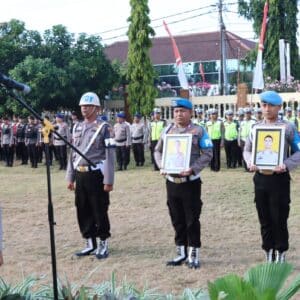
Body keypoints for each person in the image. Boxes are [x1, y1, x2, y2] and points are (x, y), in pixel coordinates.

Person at [154, 98, 213, 269]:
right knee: (176, 218)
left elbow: (208, 153)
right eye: (176, 111)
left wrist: (193, 169)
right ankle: (181, 251)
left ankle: (193, 252)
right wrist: (161, 165)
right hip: (172, 182)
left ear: (190, 113)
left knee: (191, 219)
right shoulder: (167, 131)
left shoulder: (198, 131)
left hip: (190, 182)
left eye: (183, 111)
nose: (179, 114)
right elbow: (157, 151)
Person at [243, 91, 300, 263]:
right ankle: (268, 251)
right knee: (264, 217)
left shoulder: (288, 127)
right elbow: (247, 150)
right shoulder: (255, 128)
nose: (267, 109)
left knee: (279, 217)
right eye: (264, 105)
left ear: (279, 107)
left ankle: (281, 252)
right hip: (260, 178)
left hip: (279, 179)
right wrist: (249, 161)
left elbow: (298, 151)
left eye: (271, 105)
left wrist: (286, 164)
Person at [66, 92, 115, 259]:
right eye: (82, 106)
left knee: (99, 208)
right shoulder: (77, 126)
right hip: (80, 174)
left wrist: (109, 180)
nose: (84, 109)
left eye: (87, 106)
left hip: (96, 174)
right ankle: (89, 241)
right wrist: (70, 176)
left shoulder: (104, 128)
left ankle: (102, 242)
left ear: (96, 108)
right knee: (82, 208)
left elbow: (110, 156)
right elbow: (72, 153)